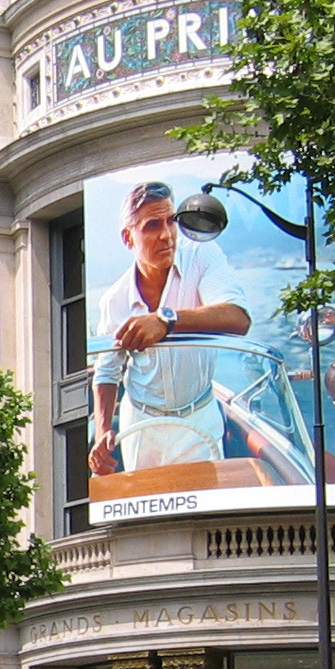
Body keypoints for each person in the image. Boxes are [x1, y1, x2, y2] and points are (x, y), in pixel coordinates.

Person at [88, 180, 253, 480]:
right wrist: (102, 432)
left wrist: (166, 320)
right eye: (152, 225)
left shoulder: (201, 255)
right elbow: (107, 372)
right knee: (145, 501)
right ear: (128, 237)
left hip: (199, 415)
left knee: (205, 501)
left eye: (171, 221)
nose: (166, 234)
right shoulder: (114, 300)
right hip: (141, 422)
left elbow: (238, 318)